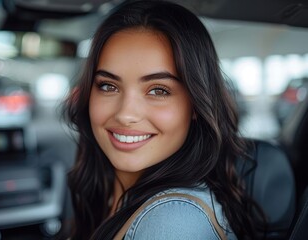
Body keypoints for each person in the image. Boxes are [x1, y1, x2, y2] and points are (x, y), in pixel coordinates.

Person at [63, 0, 265, 239]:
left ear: (196, 105)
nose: (126, 114)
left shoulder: (172, 222)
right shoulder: (107, 192)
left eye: (158, 90)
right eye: (108, 86)